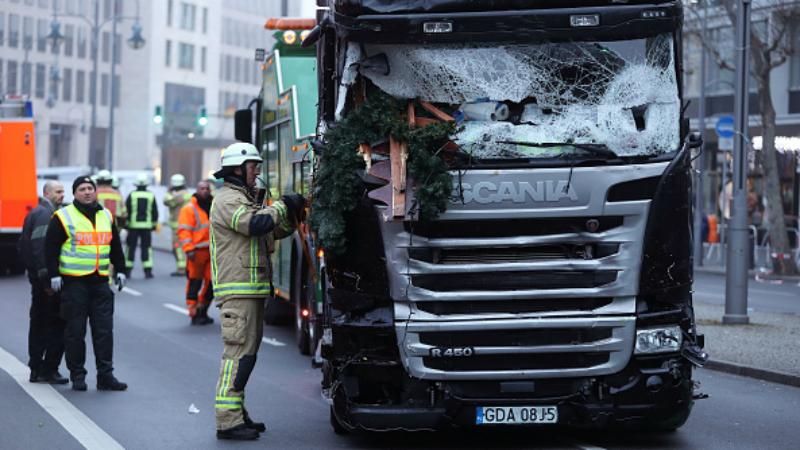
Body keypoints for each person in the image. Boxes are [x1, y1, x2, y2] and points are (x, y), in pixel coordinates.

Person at [210, 142, 304, 440]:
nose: (258, 172)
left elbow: (273, 229)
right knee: (237, 355)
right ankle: (227, 420)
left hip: (251, 289)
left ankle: (238, 413)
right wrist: (280, 206)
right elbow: (254, 224)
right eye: (254, 167)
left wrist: (292, 212)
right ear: (237, 169)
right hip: (238, 291)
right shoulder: (227, 200)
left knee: (246, 356)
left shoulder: (243, 199)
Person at [45, 175, 128, 391]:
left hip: (100, 282)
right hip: (74, 284)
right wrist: (53, 274)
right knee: (75, 332)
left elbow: (116, 246)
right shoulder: (63, 217)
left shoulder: (106, 215)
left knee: (104, 332)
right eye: (82, 188)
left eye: (90, 188)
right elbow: (50, 248)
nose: (87, 192)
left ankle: (105, 376)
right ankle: (78, 375)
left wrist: (120, 269)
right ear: (75, 193)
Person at [18, 181, 68, 384]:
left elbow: (24, 246)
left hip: (39, 280)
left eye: (63, 191)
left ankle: (37, 368)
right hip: (45, 283)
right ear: (46, 193)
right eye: (58, 192)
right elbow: (39, 249)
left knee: (39, 322)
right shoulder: (45, 215)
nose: (62, 195)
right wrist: (46, 279)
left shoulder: (40, 212)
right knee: (53, 324)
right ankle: (46, 369)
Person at [178, 180, 214, 325]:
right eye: (202, 188)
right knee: (195, 282)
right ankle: (194, 312)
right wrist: (189, 249)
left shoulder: (214, 206)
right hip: (196, 252)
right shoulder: (189, 209)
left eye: (207, 188)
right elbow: (184, 231)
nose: (205, 191)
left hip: (212, 251)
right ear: (197, 190)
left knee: (212, 283)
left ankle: (202, 309)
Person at [125, 174, 158, 279]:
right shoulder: (151, 195)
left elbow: (127, 210)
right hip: (147, 227)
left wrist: (126, 224)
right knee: (146, 248)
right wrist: (153, 224)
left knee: (130, 248)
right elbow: (154, 212)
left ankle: (128, 271)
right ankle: (147, 271)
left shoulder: (132, 195)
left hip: (133, 227)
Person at [164, 174, 193, 276]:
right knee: (185, 246)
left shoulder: (172, 195)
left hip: (177, 225)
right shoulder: (187, 194)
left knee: (178, 247)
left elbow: (167, 201)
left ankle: (182, 268)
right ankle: (185, 267)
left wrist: (169, 191)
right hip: (186, 224)